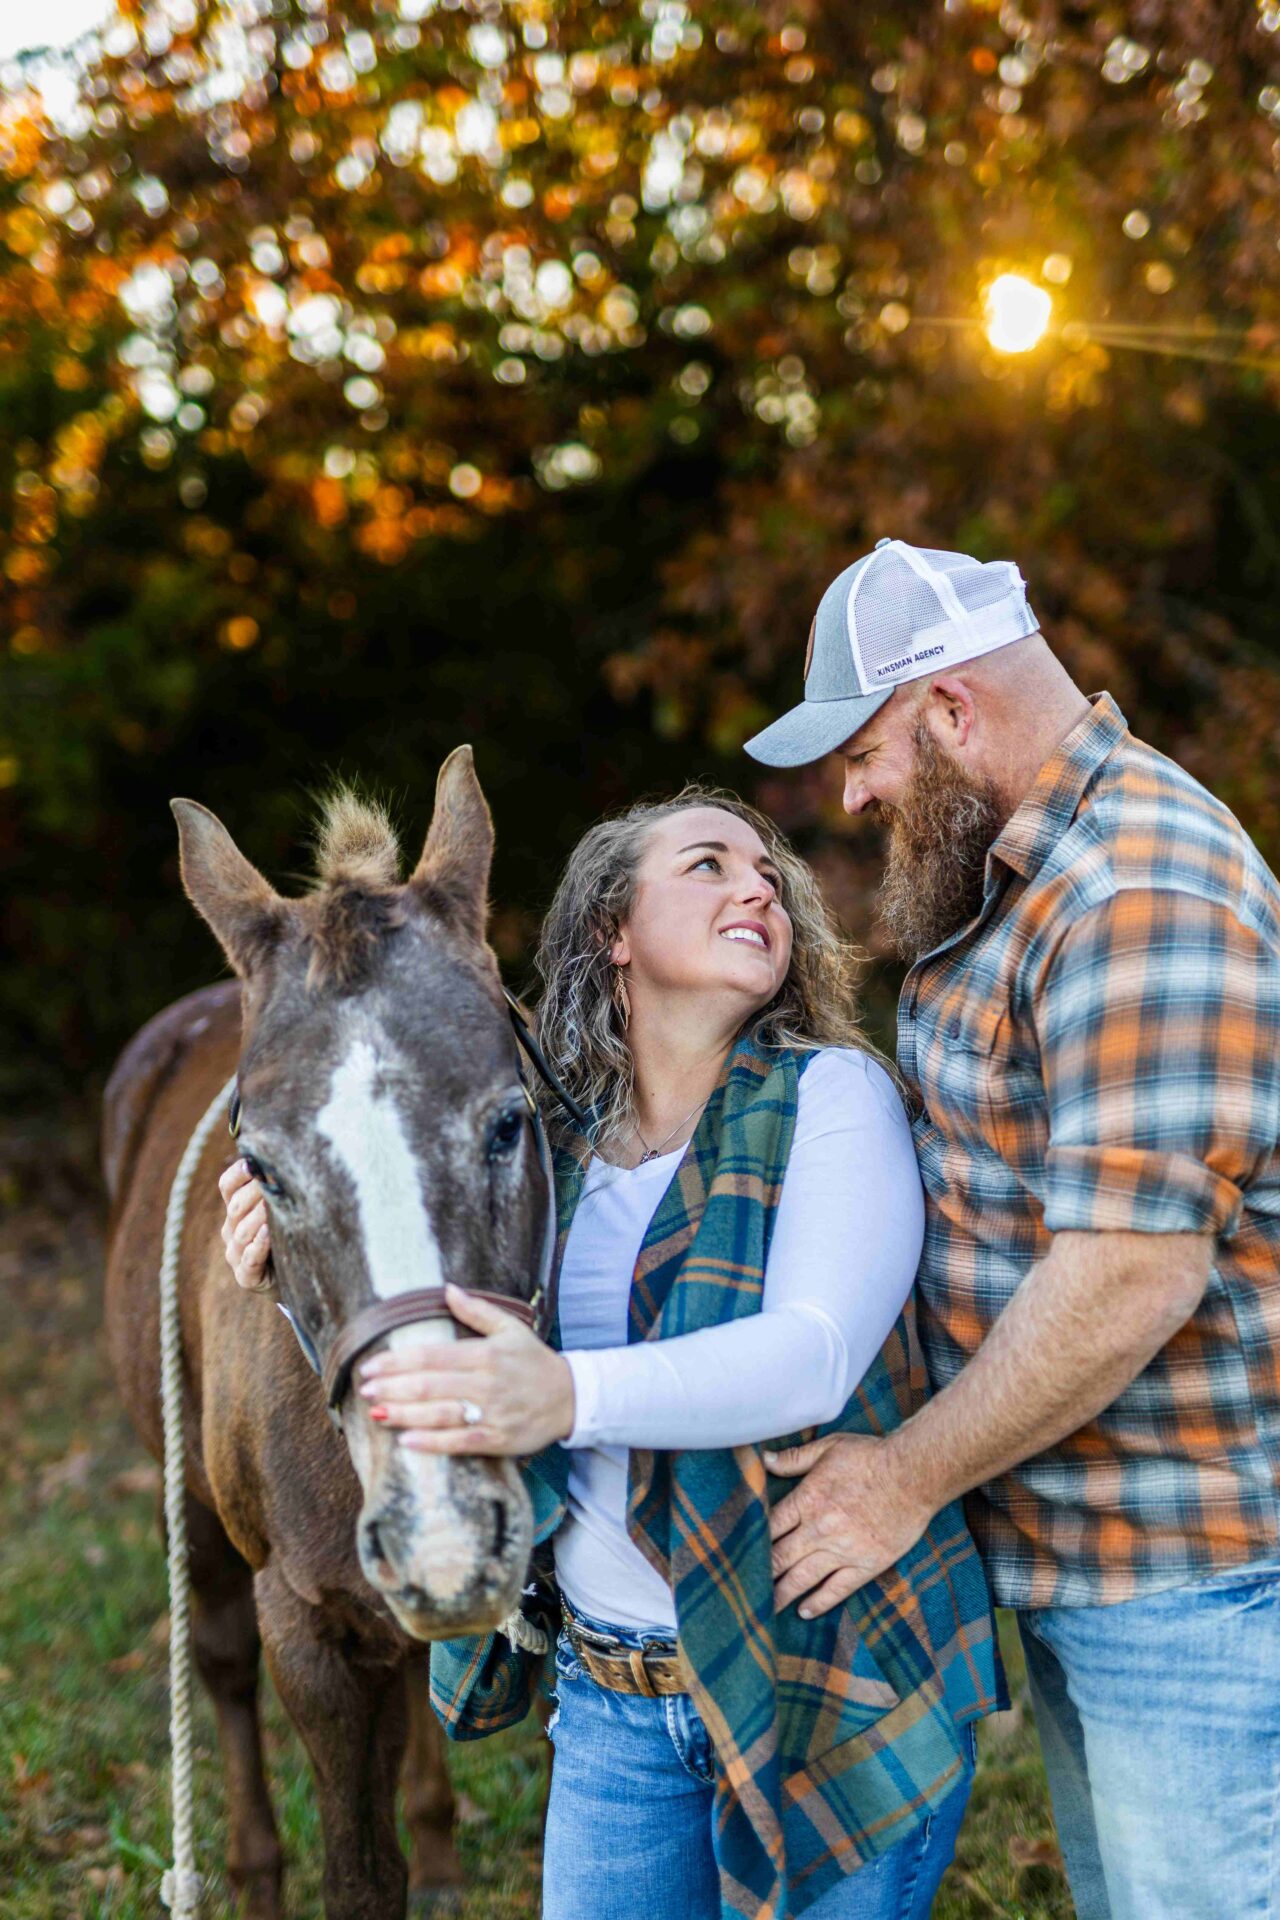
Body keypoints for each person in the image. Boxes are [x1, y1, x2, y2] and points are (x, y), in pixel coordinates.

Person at [221, 788, 1005, 1920]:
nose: (758, 885)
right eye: (706, 864)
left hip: (818, 1686)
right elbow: (406, 1261)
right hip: (611, 1703)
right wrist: (285, 1250)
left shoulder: (832, 1096)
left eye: (767, 870)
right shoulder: (544, 1147)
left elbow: (810, 1356)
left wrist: (564, 1393)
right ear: (612, 933)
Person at [744, 538, 1280, 1920]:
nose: (851, 793)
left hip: (1194, 1587)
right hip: (1090, 1559)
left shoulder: (1136, 890)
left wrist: (903, 1477)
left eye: (863, 752)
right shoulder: (1016, 883)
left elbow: (1129, 1274)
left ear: (952, 711)